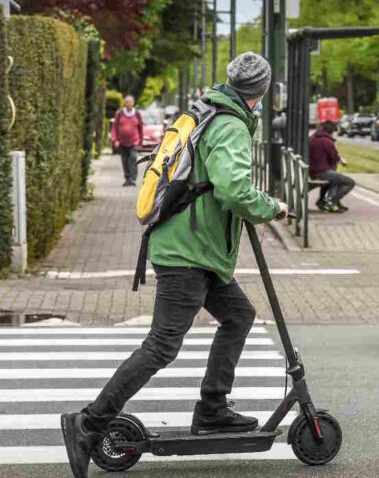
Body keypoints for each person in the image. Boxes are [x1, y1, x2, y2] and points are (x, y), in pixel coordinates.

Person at [60, 52, 289, 478]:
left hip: (195, 249)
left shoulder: (209, 111)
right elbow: (234, 190)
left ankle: (213, 410)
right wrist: (271, 207)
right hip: (188, 253)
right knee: (162, 346)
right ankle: (89, 423)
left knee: (239, 316)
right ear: (261, 92)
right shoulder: (230, 124)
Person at [309, 120, 355, 212]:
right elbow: (334, 157)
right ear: (331, 131)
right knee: (349, 182)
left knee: (336, 179)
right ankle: (331, 202)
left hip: (313, 171)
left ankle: (323, 201)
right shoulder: (326, 141)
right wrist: (342, 161)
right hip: (322, 172)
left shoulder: (313, 138)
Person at [111, 95, 144, 187]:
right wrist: (115, 140)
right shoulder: (120, 113)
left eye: (130, 102)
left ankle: (133, 179)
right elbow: (114, 127)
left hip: (134, 141)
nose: (128, 104)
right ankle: (127, 178)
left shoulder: (137, 113)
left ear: (133, 103)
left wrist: (140, 140)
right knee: (124, 161)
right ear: (124, 103)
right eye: (127, 102)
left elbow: (140, 127)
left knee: (133, 158)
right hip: (122, 142)